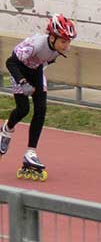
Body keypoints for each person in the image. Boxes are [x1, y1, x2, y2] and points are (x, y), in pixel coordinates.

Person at [0, 14, 77, 180]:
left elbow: (42, 63)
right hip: (19, 69)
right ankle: (6, 130)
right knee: (23, 109)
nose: (67, 46)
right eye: (64, 41)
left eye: (69, 41)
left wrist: (35, 81)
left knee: (41, 109)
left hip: (36, 70)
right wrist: (22, 82)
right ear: (52, 37)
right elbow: (10, 62)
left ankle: (31, 152)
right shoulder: (35, 45)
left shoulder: (59, 49)